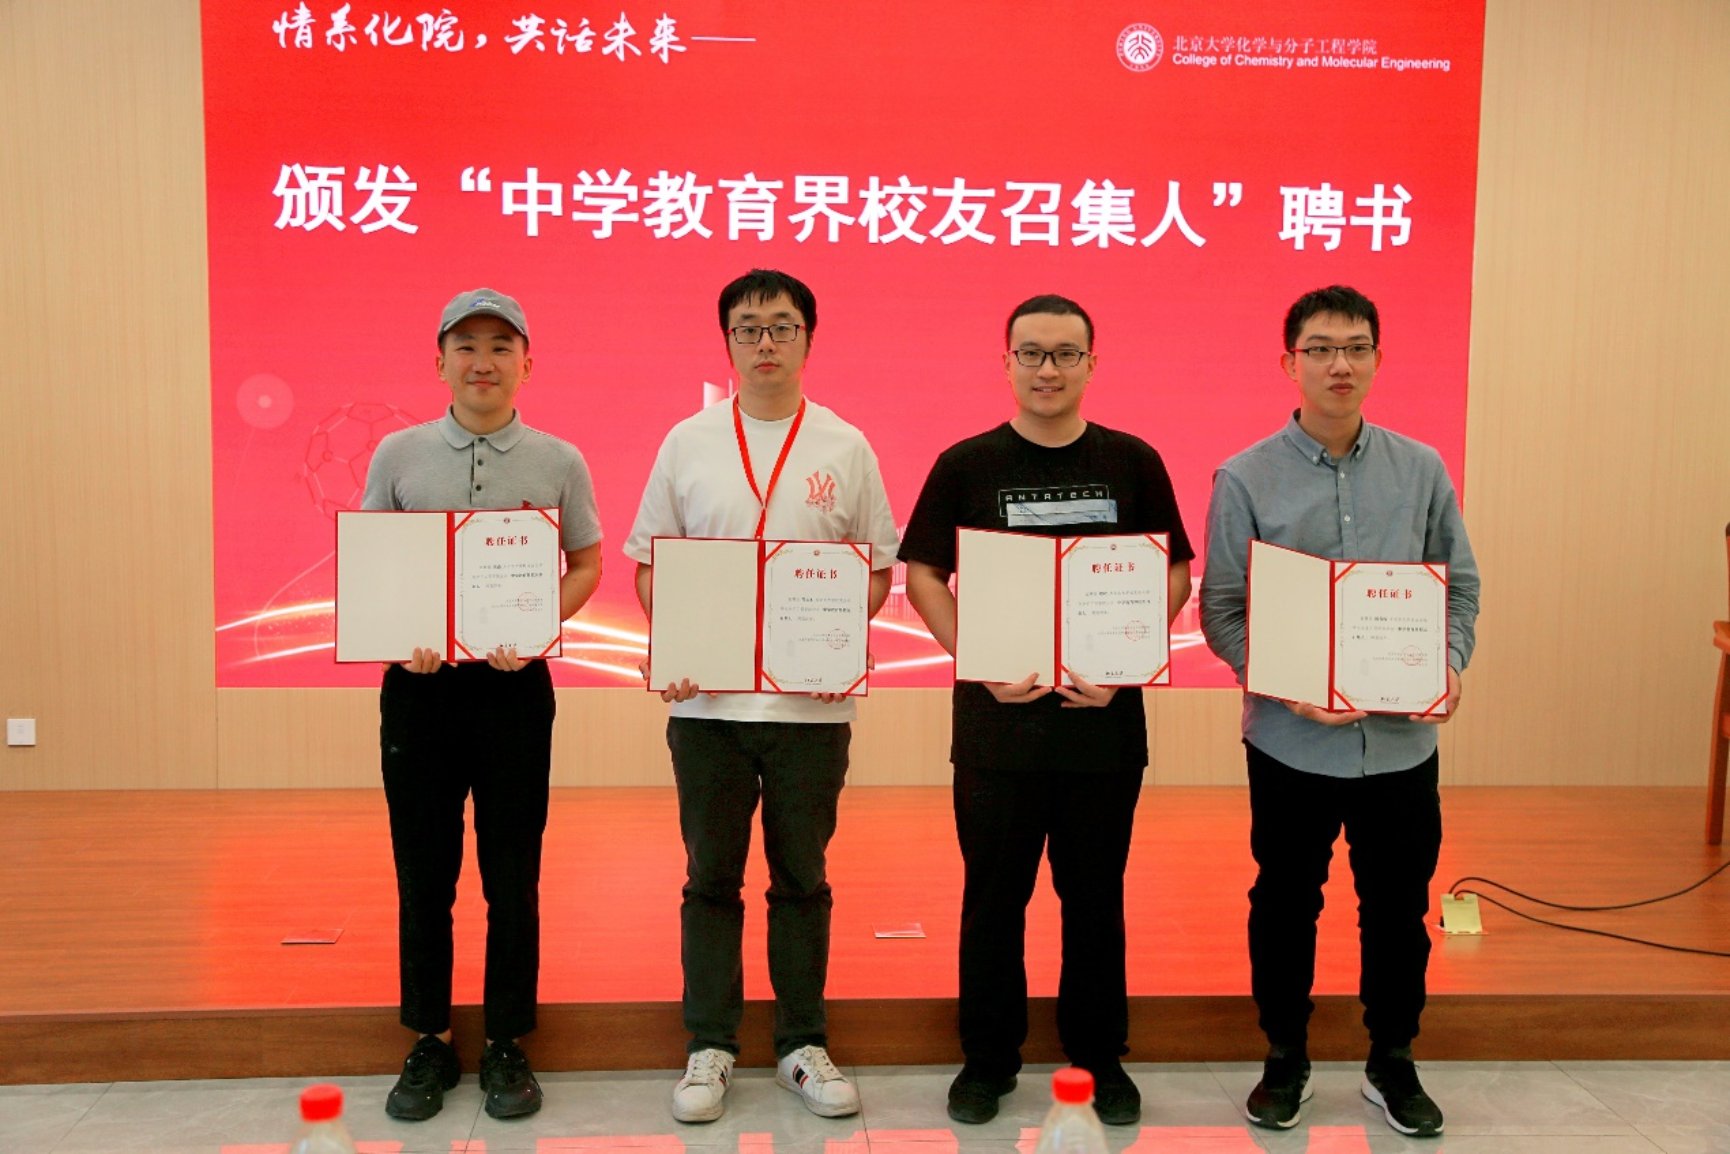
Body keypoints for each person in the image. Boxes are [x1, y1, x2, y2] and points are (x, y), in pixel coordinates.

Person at [898, 294, 1194, 1127]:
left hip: (1103, 730)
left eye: (1066, 353)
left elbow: (1174, 570)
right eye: (1031, 352)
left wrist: (1128, 662)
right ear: (1007, 363)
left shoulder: (1133, 461)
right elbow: (923, 574)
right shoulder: (966, 464)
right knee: (993, 901)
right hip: (997, 733)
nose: (1048, 369)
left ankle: (1099, 1059)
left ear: (1092, 364)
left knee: (1095, 901)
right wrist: (979, 659)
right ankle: (986, 1061)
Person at [1199, 285, 1480, 1137]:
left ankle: (1392, 1058)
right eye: (1320, 349)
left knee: (1398, 910)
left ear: (1378, 359)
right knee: (1286, 903)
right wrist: (1286, 686)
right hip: (1291, 742)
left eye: (1356, 347)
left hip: (1400, 744)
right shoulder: (1245, 476)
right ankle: (1285, 1057)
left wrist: (1448, 664)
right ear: (1289, 362)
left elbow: (1458, 586)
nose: (1339, 364)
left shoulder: (1421, 468)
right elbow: (1223, 610)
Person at [623, 269, 899, 1123]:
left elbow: (876, 569)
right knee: (710, 879)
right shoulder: (688, 441)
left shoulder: (846, 445)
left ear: (809, 338)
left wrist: (835, 641)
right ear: (728, 343)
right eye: (749, 328)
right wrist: (678, 646)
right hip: (706, 710)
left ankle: (800, 1045)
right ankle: (709, 1046)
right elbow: (650, 564)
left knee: (802, 879)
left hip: (810, 711)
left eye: (782, 326)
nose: (766, 342)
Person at [362, 288, 603, 1122]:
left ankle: (506, 1041)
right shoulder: (397, 454)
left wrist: (537, 628)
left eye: (502, 346)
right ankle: (429, 1038)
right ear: (439, 362)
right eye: (466, 345)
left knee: (512, 876)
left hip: (513, 690)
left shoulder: (559, 460)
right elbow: (375, 564)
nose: (483, 361)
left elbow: (586, 562)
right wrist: (401, 637)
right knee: (424, 875)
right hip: (419, 690)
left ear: (528, 363)